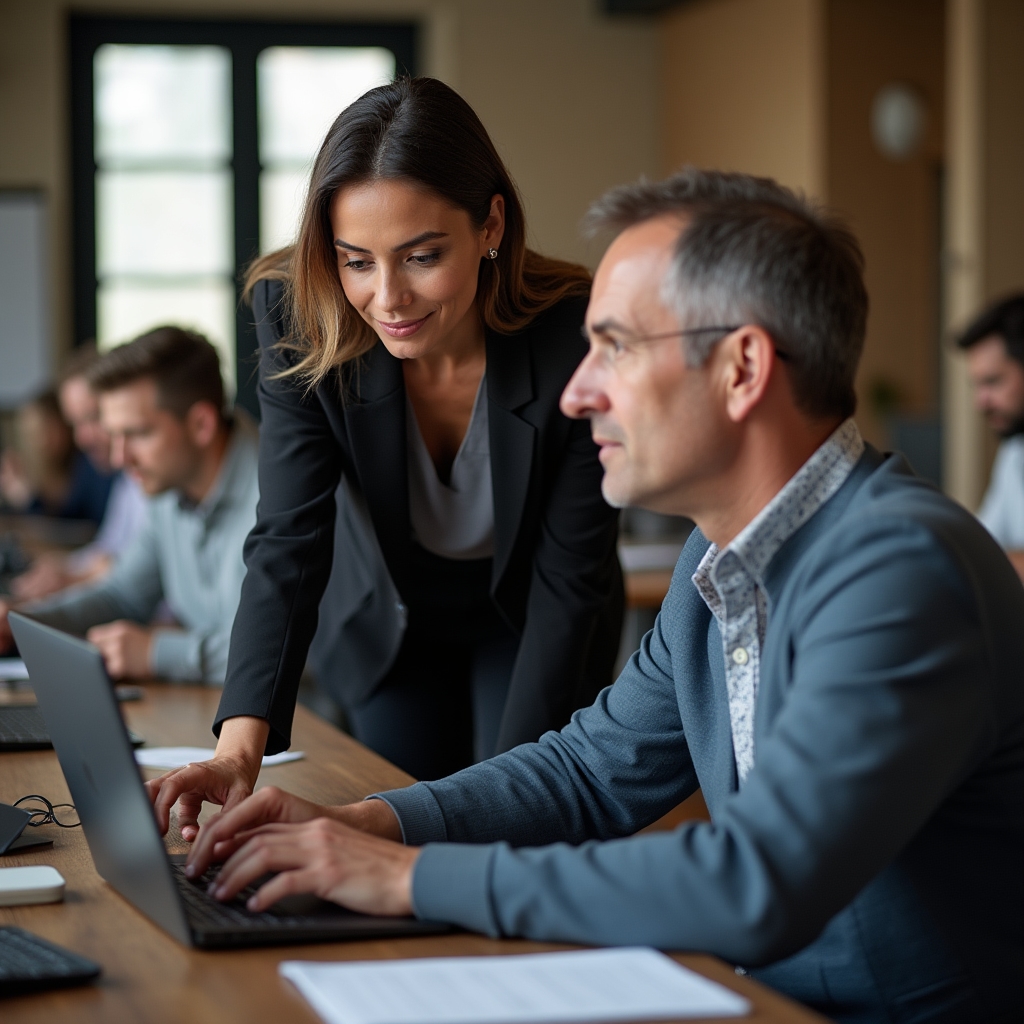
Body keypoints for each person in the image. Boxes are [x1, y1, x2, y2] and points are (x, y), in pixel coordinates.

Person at [178, 170, 1022, 1024]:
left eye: (615, 347)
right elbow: (588, 773)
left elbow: (756, 882)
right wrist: (367, 825)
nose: (577, 393)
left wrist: (409, 877)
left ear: (742, 369)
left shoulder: (902, 570)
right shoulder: (718, 557)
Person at [146, 75, 622, 811]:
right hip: (387, 621)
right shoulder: (298, 316)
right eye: (356, 261)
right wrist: (236, 754)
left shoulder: (573, 332)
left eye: (422, 256)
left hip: (536, 613)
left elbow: (570, 580)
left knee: (518, 811)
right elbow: (289, 537)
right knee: (398, 815)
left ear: (491, 225)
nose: (388, 299)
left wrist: (509, 804)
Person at [0, 326, 259, 684]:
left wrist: (154, 653)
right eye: (115, 435)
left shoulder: (280, 496)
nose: (120, 458)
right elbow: (123, 596)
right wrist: (21, 621)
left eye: (137, 434)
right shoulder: (167, 489)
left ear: (201, 424)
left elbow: (276, 653)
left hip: (304, 716)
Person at [10, 344, 147, 600]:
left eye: (94, 417)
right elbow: (106, 548)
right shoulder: (126, 481)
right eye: (75, 423)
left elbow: (135, 576)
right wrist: (63, 567)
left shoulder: (147, 477)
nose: (82, 439)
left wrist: (73, 577)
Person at [958, 292, 1024, 582]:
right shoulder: (1014, 452)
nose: (980, 402)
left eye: (993, 381)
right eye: (976, 385)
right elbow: (980, 544)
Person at [0, 389, 112, 523]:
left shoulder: (89, 466)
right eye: (33, 434)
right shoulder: (26, 468)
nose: (42, 441)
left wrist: (28, 500)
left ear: (64, 426)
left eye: (48, 430)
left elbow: (75, 524)